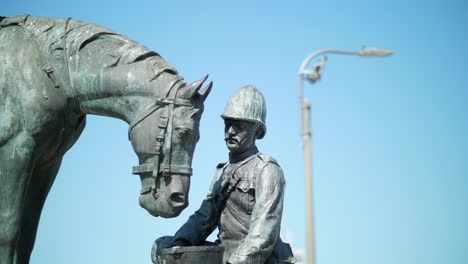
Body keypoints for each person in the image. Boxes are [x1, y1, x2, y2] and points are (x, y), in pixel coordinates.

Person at [152, 86, 295, 264]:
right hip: (225, 257)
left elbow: (263, 234)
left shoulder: (267, 170)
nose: (230, 132)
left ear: (257, 131)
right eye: (228, 124)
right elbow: (204, 217)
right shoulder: (223, 171)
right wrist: (178, 244)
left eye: (239, 126)